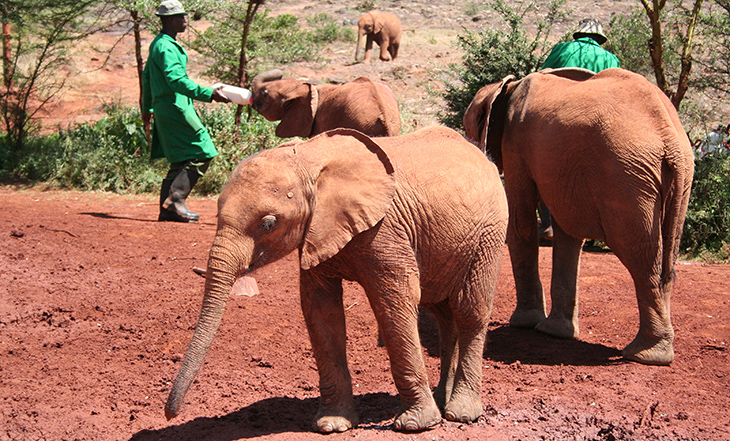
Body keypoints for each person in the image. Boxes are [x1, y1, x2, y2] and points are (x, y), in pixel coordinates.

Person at [142, 0, 230, 223]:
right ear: (170, 20)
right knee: (203, 151)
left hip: (168, 106)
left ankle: (168, 209)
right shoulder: (166, 46)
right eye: (181, 17)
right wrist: (209, 93)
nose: (185, 20)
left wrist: (147, 108)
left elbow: (148, 78)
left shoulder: (159, 44)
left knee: (181, 158)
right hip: (175, 107)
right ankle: (175, 201)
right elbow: (176, 81)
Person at [537, 18, 620, 239]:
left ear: (577, 35)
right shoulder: (611, 59)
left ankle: (547, 223)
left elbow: (540, 79)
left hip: (558, 117)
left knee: (538, 166)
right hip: (596, 122)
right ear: (600, 40)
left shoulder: (561, 49)